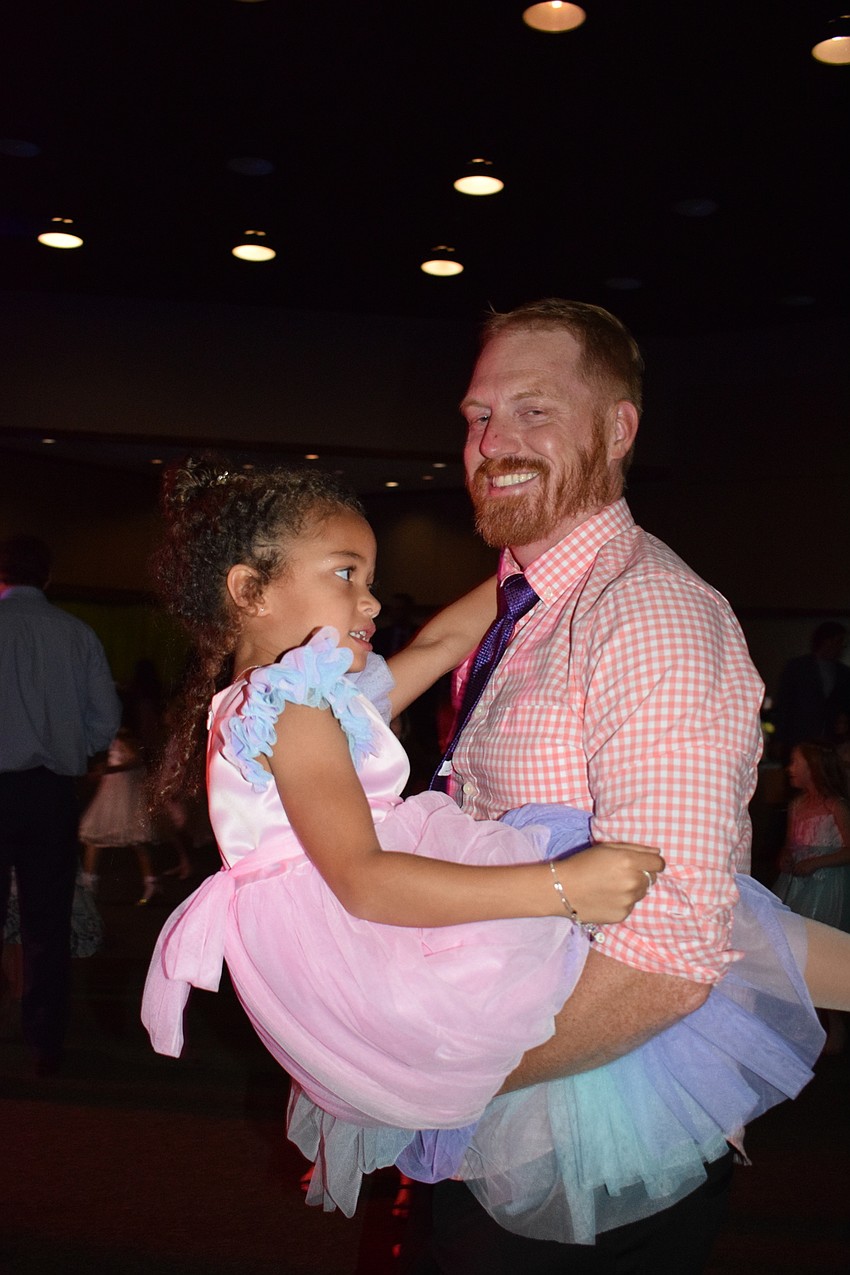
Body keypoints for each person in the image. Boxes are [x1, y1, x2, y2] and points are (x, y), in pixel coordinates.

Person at [140, 462, 844, 1246]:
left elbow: (441, 640)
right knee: (630, 892)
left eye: (369, 576)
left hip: (363, 930)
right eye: (346, 574)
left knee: (692, 928)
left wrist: (534, 559)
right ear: (250, 590)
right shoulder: (288, 707)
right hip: (376, 935)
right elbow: (367, 882)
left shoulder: (294, 695)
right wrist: (557, 886)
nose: (370, 600)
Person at [392, 298, 779, 1272]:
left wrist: (443, 1080)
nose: (491, 442)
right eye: (478, 416)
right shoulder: (524, 597)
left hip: (586, 1125)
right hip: (511, 1091)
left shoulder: (646, 617)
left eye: (534, 411)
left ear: (617, 428)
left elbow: (670, 949)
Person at [0, 535, 121, 1074]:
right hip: (50, 791)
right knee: (46, 920)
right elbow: (104, 721)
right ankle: (46, 1040)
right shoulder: (78, 635)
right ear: (47, 579)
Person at [774, 740, 850, 1051]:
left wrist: (817, 861)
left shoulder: (836, 805)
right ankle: (805, 1029)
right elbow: (790, 845)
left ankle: (835, 1030)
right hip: (799, 885)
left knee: (820, 956)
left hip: (825, 886)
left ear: (813, 766)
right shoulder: (796, 806)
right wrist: (786, 859)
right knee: (792, 953)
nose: (790, 769)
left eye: (796, 762)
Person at [79, 727, 162, 906]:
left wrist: (110, 770)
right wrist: (102, 770)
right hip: (110, 794)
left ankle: (151, 882)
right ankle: (88, 883)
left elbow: (135, 762)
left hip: (124, 794)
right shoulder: (111, 739)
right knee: (94, 838)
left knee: (135, 839)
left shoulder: (125, 738)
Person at [775, 622, 850, 762]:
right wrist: (780, 739)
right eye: (839, 641)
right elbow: (784, 705)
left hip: (831, 741)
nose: (841, 647)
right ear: (826, 641)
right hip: (800, 737)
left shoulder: (844, 673)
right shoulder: (798, 668)